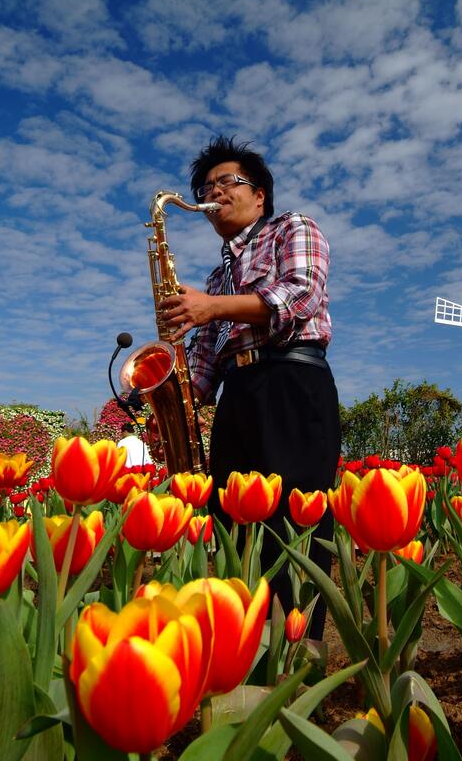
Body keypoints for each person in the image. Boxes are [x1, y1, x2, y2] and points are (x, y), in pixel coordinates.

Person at [160, 135, 340, 639]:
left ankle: (300, 654)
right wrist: (169, 401)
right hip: (237, 395)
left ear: (259, 195)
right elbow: (205, 360)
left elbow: (300, 294)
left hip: (292, 382)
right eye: (205, 188)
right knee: (233, 526)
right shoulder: (216, 279)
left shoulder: (293, 227)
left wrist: (211, 308)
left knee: (296, 524)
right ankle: (247, 648)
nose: (213, 193)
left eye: (226, 182)